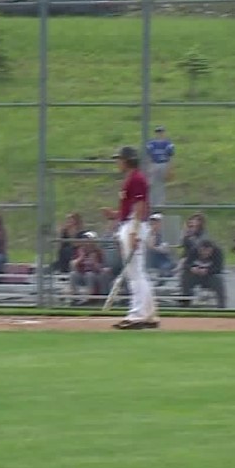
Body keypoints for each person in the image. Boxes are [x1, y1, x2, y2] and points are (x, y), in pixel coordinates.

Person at [100, 146, 159, 330]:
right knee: (137, 272)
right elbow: (130, 208)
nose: (118, 162)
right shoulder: (131, 179)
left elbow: (140, 207)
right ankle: (149, 315)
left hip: (134, 226)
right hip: (130, 224)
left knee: (135, 274)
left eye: (120, 159)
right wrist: (115, 215)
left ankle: (137, 315)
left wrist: (133, 232)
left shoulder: (137, 179)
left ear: (127, 160)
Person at [181, 239, 227, 308]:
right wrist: (191, 268)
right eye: (202, 251)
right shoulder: (193, 251)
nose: (205, 253)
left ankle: (221, 305)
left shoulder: (217, 252)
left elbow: (219, 268)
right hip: (195, 275)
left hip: (210, 276)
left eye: (208, 251)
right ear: (199, 249)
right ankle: (186, 303)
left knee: (218, 279)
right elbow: (186, 264)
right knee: (185, 276)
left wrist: (207, 271)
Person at [145, 125, 175, 209]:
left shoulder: (168, 144)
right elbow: (149, 156)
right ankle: (151, 204)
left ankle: (160, 205)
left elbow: (171, 156)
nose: (160, 134)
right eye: (158, 132)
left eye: (161, 132)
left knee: (161, 185)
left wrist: (170, 169)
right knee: (151, 184)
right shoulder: (151, 143)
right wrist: (149, 167)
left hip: (163, 163)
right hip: (154, 163)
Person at [145, 213, 175, 279]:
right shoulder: (148, 233)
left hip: (164, 259)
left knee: (165, 268)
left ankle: (163, 279)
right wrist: (152, 235)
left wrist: (153, 247)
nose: (153, 225)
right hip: (150, 259)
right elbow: (147, 245)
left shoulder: (166, 234)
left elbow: (166, 249)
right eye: (152, 223)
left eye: (156, 223)